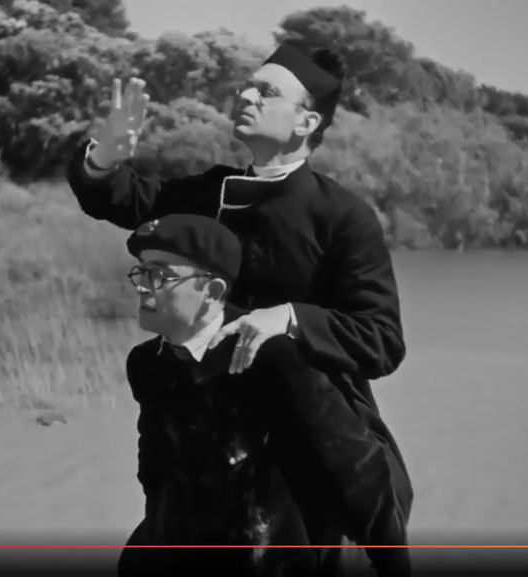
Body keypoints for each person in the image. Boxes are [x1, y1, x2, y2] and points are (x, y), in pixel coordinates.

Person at [66, 40, 414, 529]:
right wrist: (103, 157)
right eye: (248, 87)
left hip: (307, 430)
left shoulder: (343, 216)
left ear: (306, 122)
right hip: (205, 423)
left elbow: (382, 340)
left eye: (266, 92)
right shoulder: (209, 192)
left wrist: (289, 319)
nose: (246, 97)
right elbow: (126, 200)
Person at [116, 214, 409, 577]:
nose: (143, 287)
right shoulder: (147, 363)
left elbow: (355, 471)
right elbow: (155, 473)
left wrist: (392, 561)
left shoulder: (273, 357)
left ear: (213, 292)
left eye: (160, 275)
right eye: (142, 272)